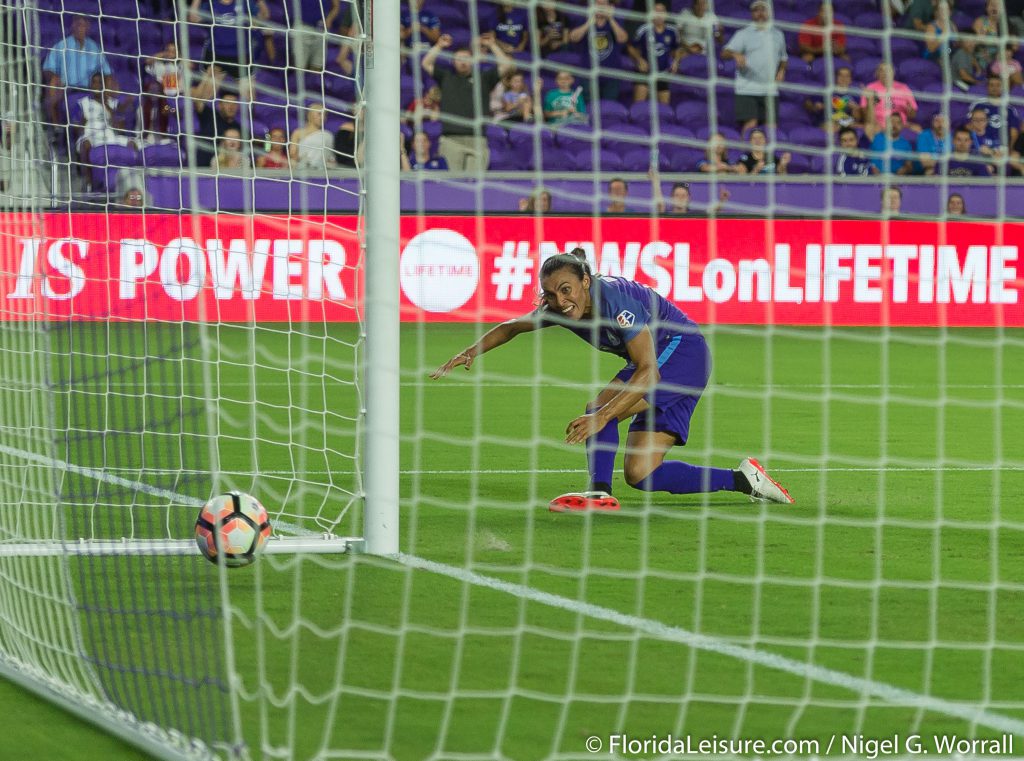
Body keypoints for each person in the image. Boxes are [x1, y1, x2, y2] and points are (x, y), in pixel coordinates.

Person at [430, 248, 795, 512]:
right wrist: (471, 351)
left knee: (599, 407)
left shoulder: (615, 303)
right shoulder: (559, 309)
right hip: (663, 361)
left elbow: (648, 370)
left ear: (585, 281)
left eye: (567, 290)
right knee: (641, 474)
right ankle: (745, 480)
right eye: (552, 293)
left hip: (682, 352)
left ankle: (599, 492)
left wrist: (603, 417)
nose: (560, 301)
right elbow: (512, 327)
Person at [422, 32, 515, 172]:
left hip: (477, 140)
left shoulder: (484, 78)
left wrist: (492, 45)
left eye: (466, 58)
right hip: (450, 140)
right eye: (459, 58)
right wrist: (439, 45)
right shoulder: (445, 77)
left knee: (475, 184)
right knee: (452, 187)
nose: (463, 61)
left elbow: (506, 65)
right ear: (453, 61)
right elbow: (426, 63)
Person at [721, 0, 787, 133]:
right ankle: (745, 153)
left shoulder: (778, 34)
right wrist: (735, 54)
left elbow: (784, 58)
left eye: (763, 10)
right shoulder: (743, 33)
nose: (760, 13)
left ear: (769, 12)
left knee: (771, 128)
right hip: (747, 87)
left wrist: (782, 70)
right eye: (756, 10)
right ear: (752, 14)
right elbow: (724, 53)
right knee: (751, 125)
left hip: (770, 89)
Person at [188, 0, 273, 101]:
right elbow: (193, 18)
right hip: (216, 56)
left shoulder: (244, 3)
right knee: (203, 97)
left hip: (241, 56)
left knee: (250, 99)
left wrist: (259, 1)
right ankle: (185, 95)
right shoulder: (210, 4)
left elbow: (264, 17)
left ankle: (250, 116)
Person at [42, 15, 112, 124]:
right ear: (72, 26)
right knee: (53, 88)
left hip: (91, 90)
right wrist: (56, 78)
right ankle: (56, 128)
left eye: (83, 25)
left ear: (88, 27)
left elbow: (107, 72)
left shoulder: (94, 47)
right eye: (78, 25)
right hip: (67, 89)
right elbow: (48, 69)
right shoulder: (61, 46)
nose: (80, 28)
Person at [568, 0, 630, 100]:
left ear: (610, 7)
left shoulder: (617, 20)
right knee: (588, 106)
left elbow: (623, 39)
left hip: (611, 73)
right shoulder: (583, 19)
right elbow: (573, 38)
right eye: (597, 4)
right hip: (588, 73)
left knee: (609, 107)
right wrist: (589, 23)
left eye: (603, 4)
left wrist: (611, 19)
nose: (600, 7)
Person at [626, 2, 683, 105]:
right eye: (656, 11)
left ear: (666, 14)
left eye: (661, 11)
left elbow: (677, 49)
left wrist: (676, 61)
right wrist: (639, 59)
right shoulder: (643, 29)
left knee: (664, 110)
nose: (659, 14)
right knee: (638, 108)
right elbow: (630, 47)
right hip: (644, 74)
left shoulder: (672, 31)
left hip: (662, 74)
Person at [860, 63, 918, 136]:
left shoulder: (903, 88)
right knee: (870, 128)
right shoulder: (870, 88)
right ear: (877, 73)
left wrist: (910, 110)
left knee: (918, 130)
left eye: (888, 70)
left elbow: (913, 114)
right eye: (882, 71)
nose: (885, 73)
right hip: (878, 124)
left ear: (893, 72)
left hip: (900, 124)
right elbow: (864, 114)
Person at [142, 41, 184, 140]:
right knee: (163, 108)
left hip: (175, 98)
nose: (170, 53)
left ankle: (170, 135)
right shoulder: (158, 65)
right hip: (159, 98)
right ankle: (157, 134)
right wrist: (162, 55)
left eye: (173, 51)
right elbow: (147, 61)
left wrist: (178, 57)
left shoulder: (180, 66)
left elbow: (191, 65)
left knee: (173, 110)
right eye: (168, 51)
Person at [193, 92, 244, 167]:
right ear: (220, 105)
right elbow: (197, 101)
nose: (231, 106)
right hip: (202, 169)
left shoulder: (239, 129)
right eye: (227, 103)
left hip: (225, 171)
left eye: (234, 103)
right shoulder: (209, 116)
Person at [968, 75, 1021, 147]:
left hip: (1001, 149)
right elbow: (969, 125)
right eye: (991, 85)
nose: (994, 88)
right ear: (987, 87)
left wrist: (1008, 151)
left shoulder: (1009, 109)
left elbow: (1014, 132)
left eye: (998, 85)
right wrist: (979, 146)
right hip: (981, 147)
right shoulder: (978, 105)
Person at [289, 0, 341, 72]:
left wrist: (329, 19)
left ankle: (315, 83)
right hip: (302, 26)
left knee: (317, 67)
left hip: (321, 28)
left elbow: (336, 6)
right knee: (299, 67)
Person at [805, 65, 861, 129]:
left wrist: (855, 109)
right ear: (835, 77)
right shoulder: (826, 91)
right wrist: (823, 106)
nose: (844, 78)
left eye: (847, 76)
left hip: (847, 123)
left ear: (851, 79)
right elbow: (808, 104)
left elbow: (857, 118)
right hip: (828, 122)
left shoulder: (856, 94)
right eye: (840, 75)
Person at [290, 103, 337, 170]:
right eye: (319, 114)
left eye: (324, 115)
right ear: (310, 115)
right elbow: (292, 154)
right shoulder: (298, 133)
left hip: (322, 171)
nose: (322, 117)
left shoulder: (328, 135)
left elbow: (331, 157)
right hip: (302, 170)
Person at [972, 0, 1004, 69]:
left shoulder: (1005, 24)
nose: (994, 7)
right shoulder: (980, 21)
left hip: (1000, 57)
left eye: (997, 5)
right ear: (986, 8)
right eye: (992, 5)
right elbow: (974, 42)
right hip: (983, 56)